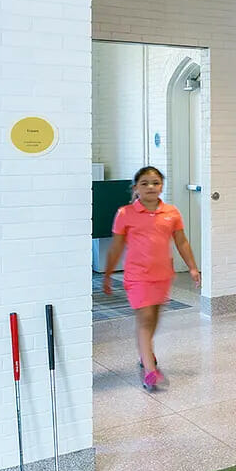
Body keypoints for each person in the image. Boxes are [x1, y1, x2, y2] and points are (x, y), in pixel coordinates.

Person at [102, 165, 201, 392]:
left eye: (155, 183)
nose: (150, 187)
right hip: (137, 276)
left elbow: (182, 242)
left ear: (162, 186)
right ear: (135, 188)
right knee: (145, 319)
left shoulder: (171, 213)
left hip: (162, 275)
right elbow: (116, 247)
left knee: (153, 318)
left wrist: (193, 268)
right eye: (144, 183)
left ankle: (145, 352)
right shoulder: (125, 214)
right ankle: (150, 371)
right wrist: (107, 274)